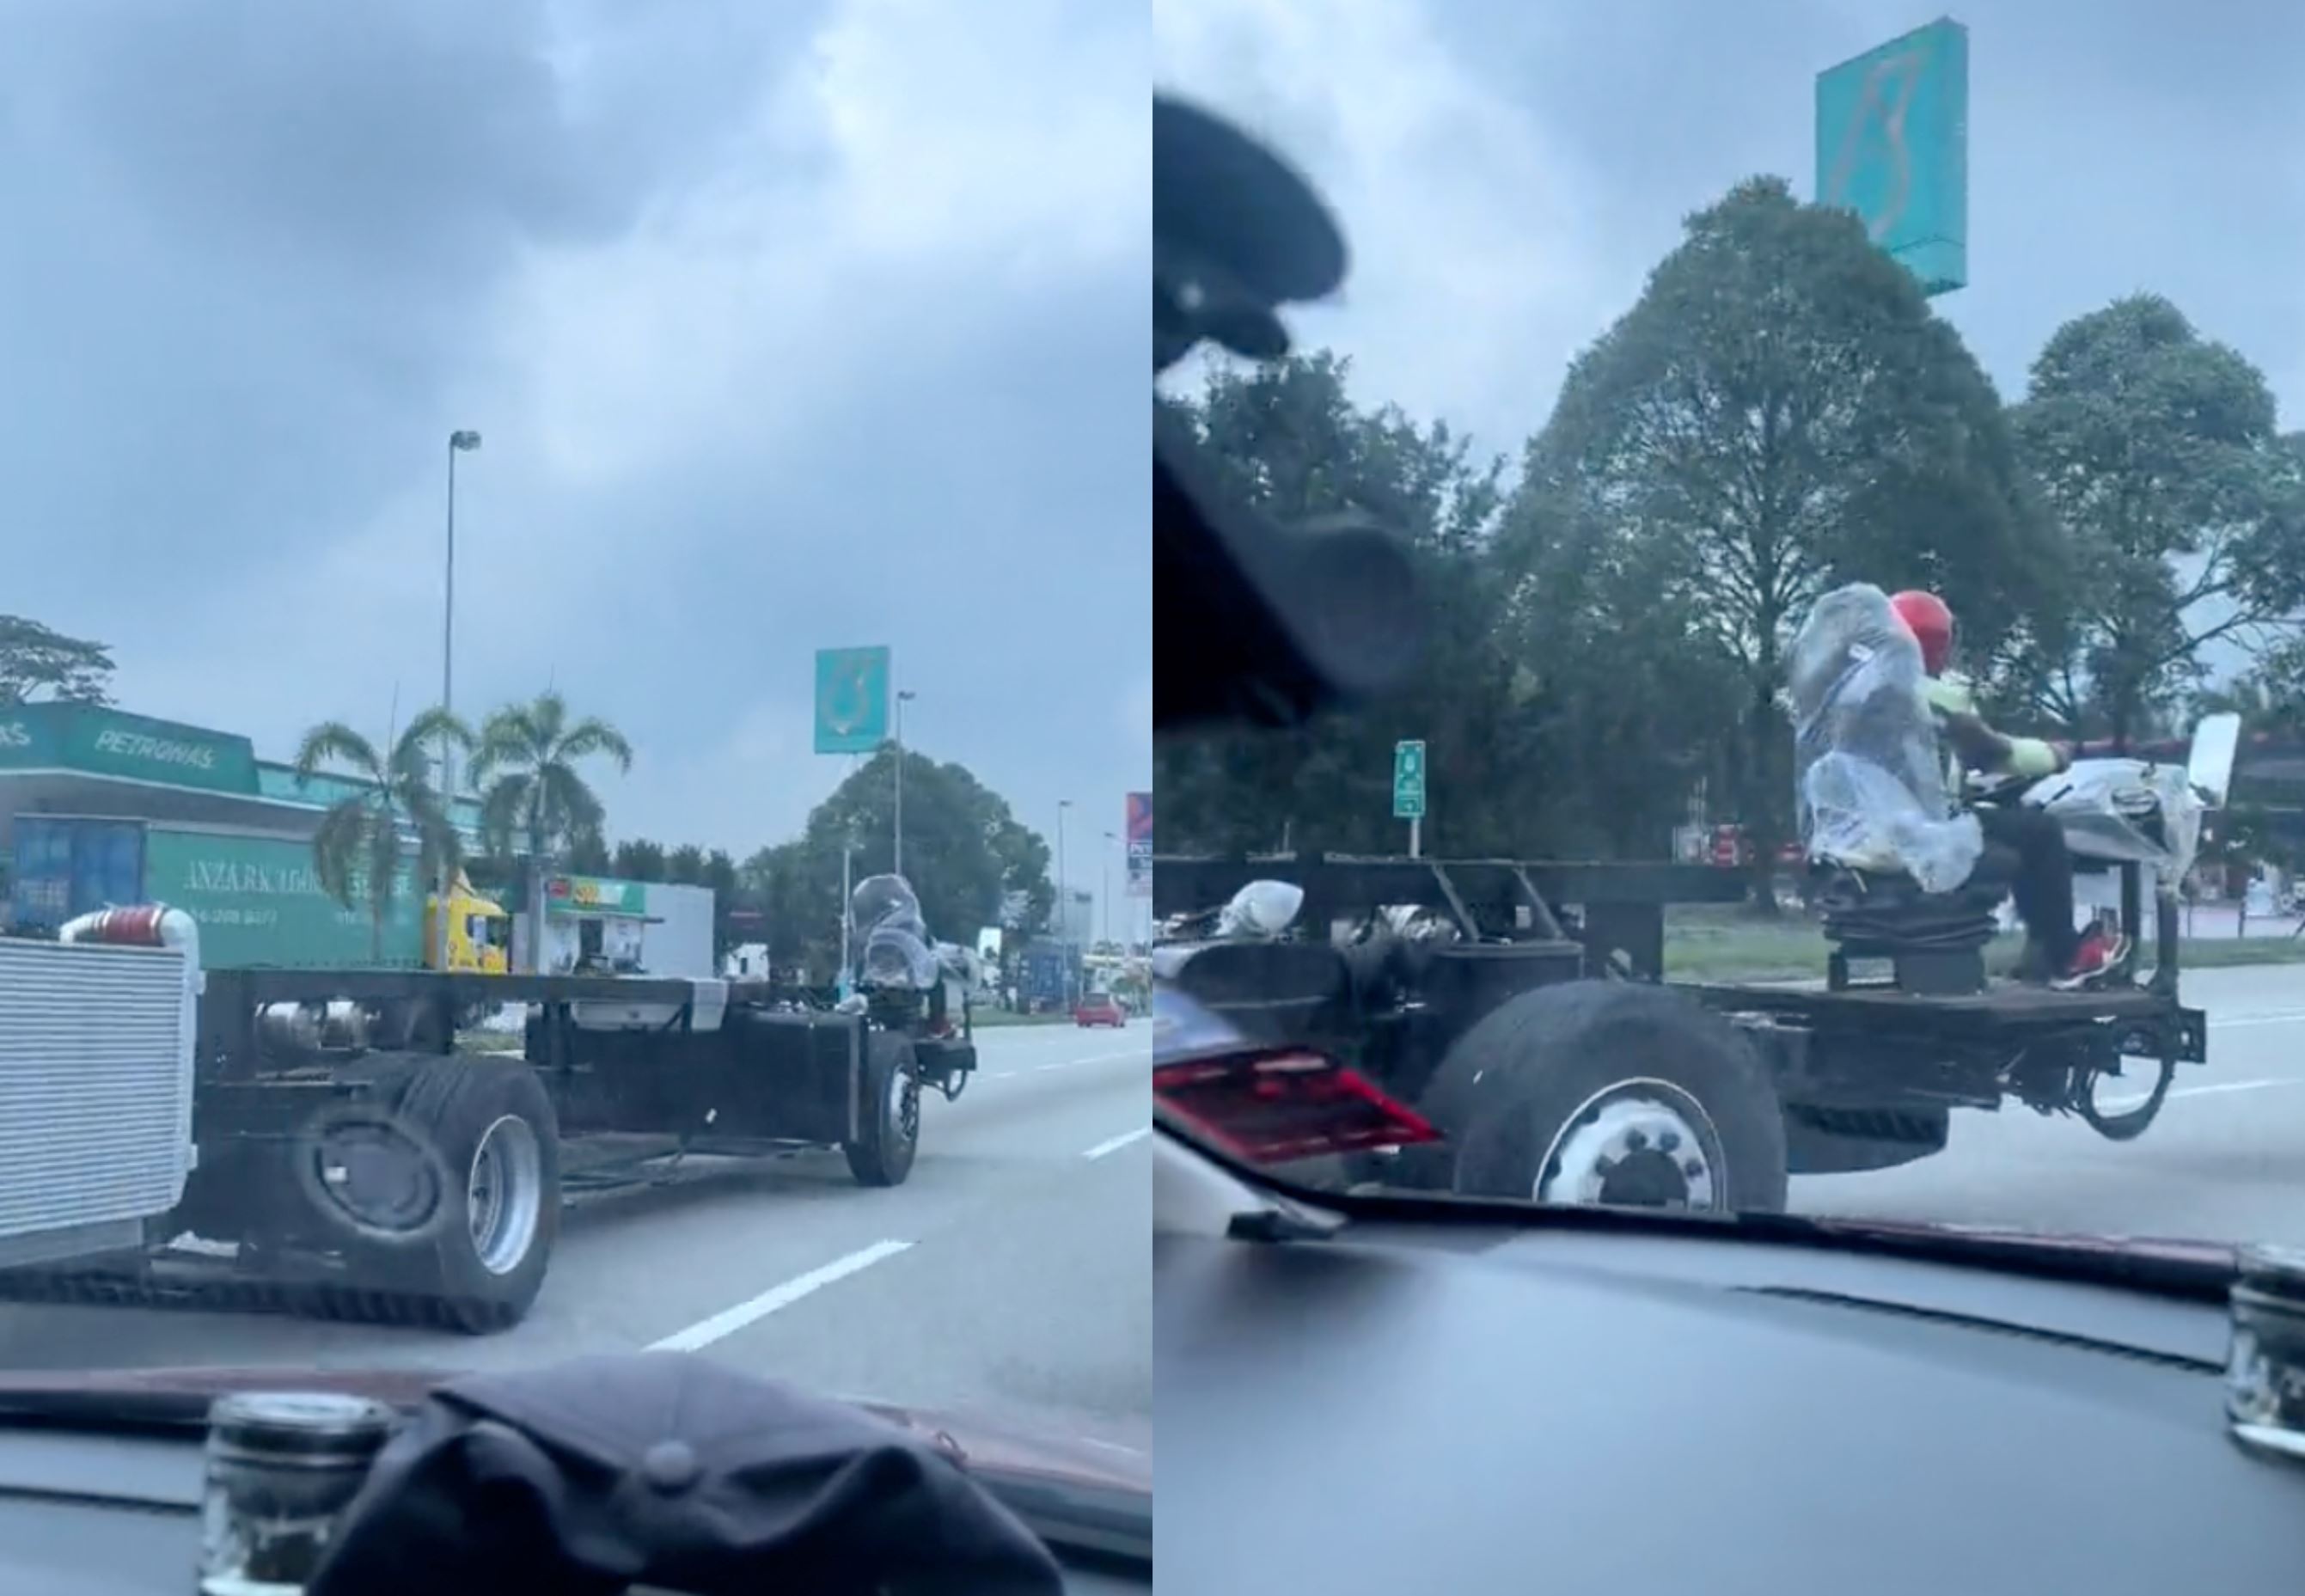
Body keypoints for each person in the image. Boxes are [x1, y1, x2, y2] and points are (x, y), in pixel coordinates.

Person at [1886, 590, 2128, 988]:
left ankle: (2036, 958)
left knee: (2007, 827)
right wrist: (2053, 754)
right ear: (1934, 646)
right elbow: (1999, 754)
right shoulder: (1938, 699)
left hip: (1878, 827)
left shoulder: (1859, 694)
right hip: (1924, 829)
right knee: (2042, 831)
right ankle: (2063, 956)